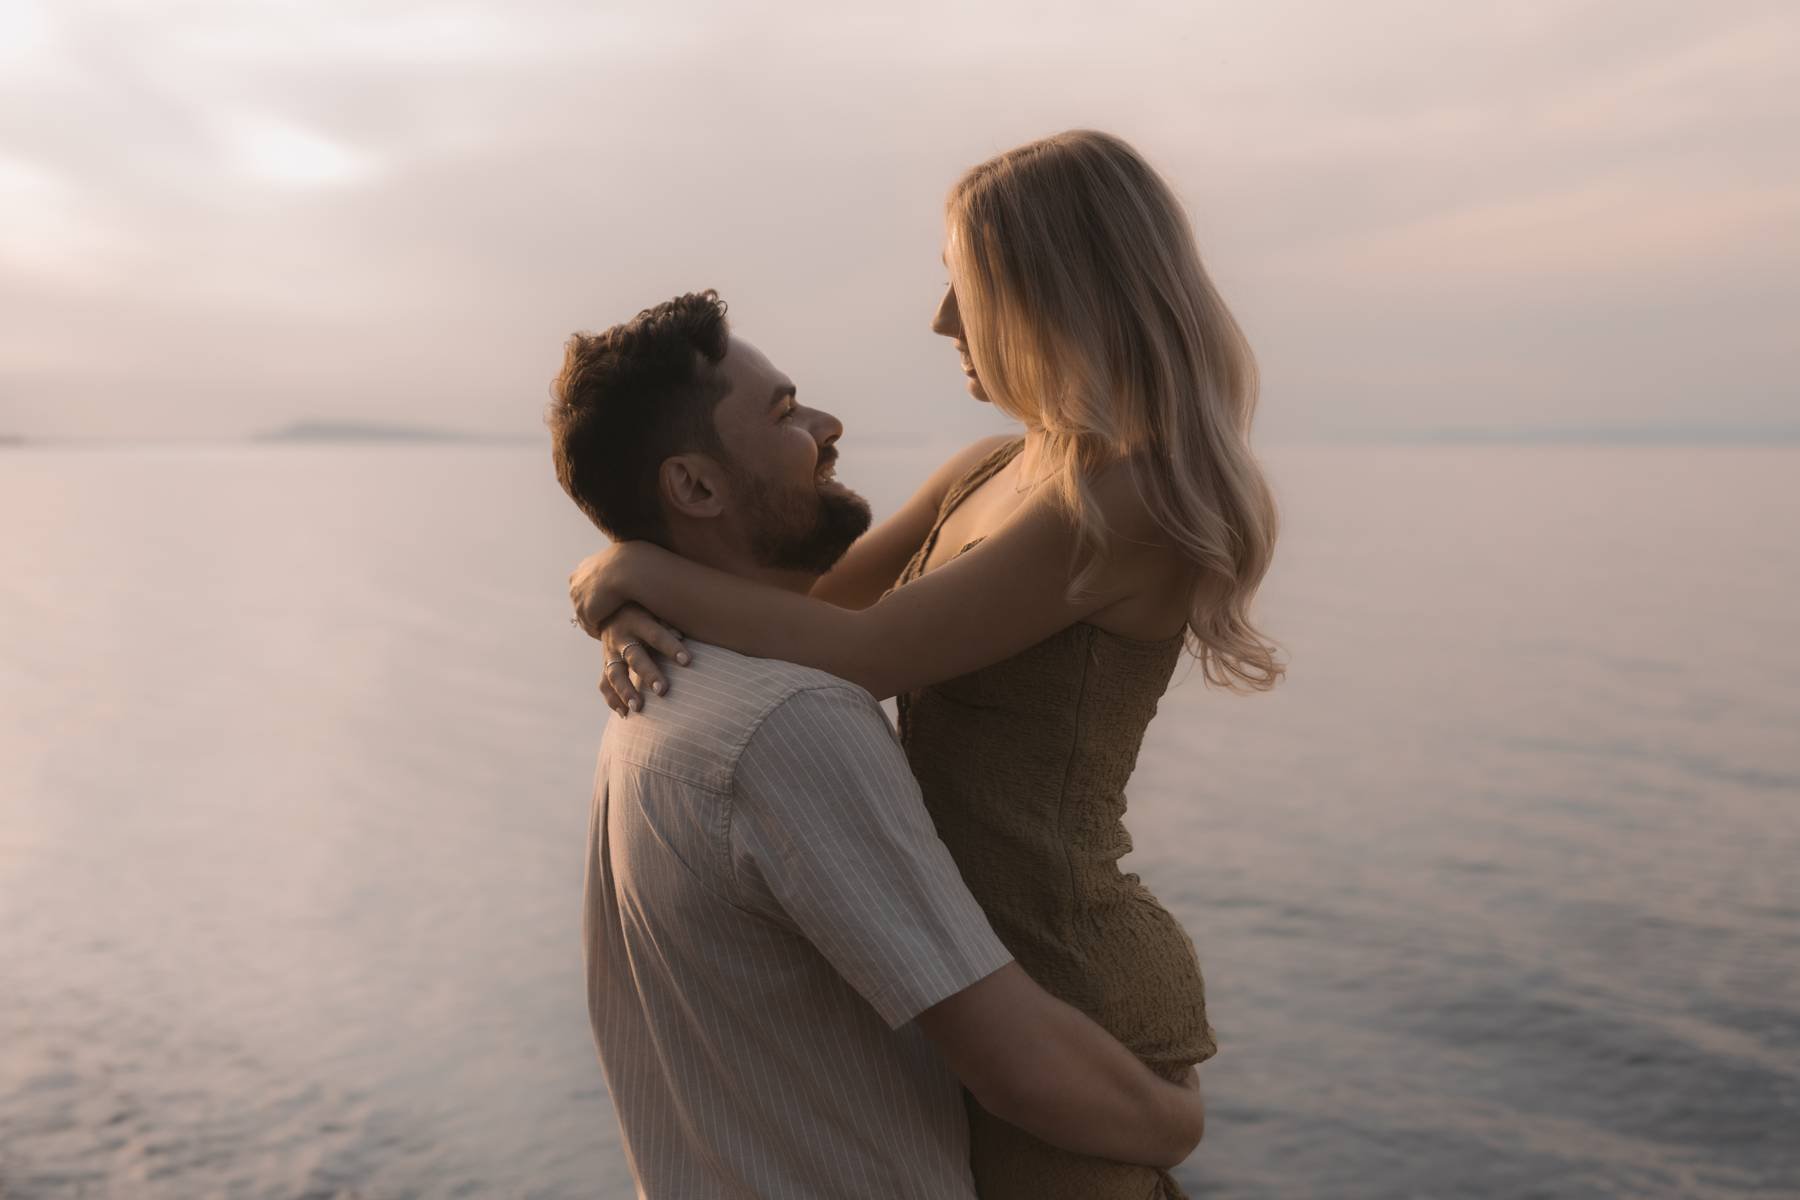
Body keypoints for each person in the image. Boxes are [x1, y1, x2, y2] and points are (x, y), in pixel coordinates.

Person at [571, 130, 1280, 1199]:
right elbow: (795, 607)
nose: (942, 318)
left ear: (1052, 290)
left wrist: (636, 571)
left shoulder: (1120, 500)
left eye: (966, 284)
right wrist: (623, 598)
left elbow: (862, 653)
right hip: (987, 975)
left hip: (1073, 983)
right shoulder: (990, 471)